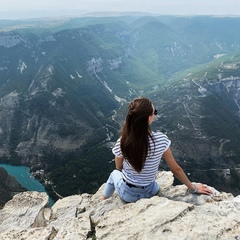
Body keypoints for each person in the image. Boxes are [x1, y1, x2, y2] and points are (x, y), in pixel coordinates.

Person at [102, 97, 212, 202]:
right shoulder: (161, 140)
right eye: (154, 112)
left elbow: (118, 165)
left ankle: (104, 200)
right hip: (151, 191)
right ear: (149, 118)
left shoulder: (124, 141)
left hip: (128, 195)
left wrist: (121, 170)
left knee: (114, 173)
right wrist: (193, 188)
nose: (155, 114)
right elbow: (175, 169)